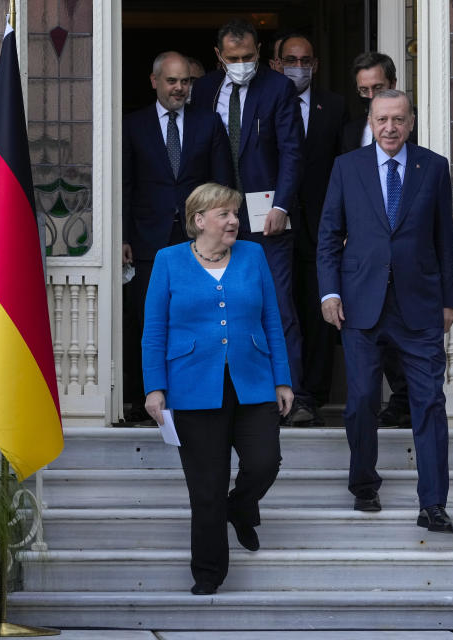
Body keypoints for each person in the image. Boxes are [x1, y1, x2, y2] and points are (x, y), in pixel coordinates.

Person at [318, 90, 453, 533]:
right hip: (361, 304)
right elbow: (328, 236)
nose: (390, 128)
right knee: (361, 400)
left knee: (429, 403)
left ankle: (433, 503)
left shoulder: (433, 167)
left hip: (419, 306)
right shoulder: (347, 167)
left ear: (411, 121)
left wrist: (449, 299)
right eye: (382, 120)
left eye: (398, 119)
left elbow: (444, 239)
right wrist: (329, 294)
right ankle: (364, 484)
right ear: (371, 121)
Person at [143, 182, 294, 595]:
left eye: (235, 213)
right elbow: (154, 330)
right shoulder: (168, 260)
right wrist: (155, 387)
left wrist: (282, 378)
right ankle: (208, 574)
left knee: (265, 462)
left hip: (253, 381)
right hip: (192, 386)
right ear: (199, 220)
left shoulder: (253, 254)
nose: (234, 221)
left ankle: (241, 507)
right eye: (225, 214)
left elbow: (271, 322)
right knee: (206, 487)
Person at [191, 18, 315, 425]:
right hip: (216, 219)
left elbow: (293, 153)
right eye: (232, 58)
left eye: (247, 57)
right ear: (218, 57)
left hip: (269, 219)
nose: (241, 64)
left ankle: (292, 398)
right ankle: (224, 398)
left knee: (278, 308)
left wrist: (282, 206)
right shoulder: (205, 90)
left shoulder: (278, 89)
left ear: (259, 53)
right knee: (216, 308)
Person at [121, 51, 234, 424]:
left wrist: (220, 234)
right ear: (155, 82)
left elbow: (221, 184)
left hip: (196, 240)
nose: (179, 88)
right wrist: (122, 235)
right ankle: (143, 399)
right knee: (146, 319)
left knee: (196, 317)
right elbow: (123, 184)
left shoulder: (208, 123)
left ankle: (191, 394)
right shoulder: (132, 125)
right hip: (147, 238)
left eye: (185, 81)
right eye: (172, 81)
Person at [341, 51, 418, 429]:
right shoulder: (350, 130)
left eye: (379, 88)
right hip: (362, 254)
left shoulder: (410, 135)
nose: (373, 96)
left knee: (404, 337)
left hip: (406, 257)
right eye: (365, 91)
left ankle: (404, 401)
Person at [279, 33, 347, 425]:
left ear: (316, 65)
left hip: (322, 223)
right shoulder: (267, 101)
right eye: (290, 59)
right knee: (282, 308)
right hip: (276, 223)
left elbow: (344, 166)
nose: (298, 67)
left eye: (305, 60)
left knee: (322, 307)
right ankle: (287, 392)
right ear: (276, 64)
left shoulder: (334, 106)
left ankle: (316, 396)